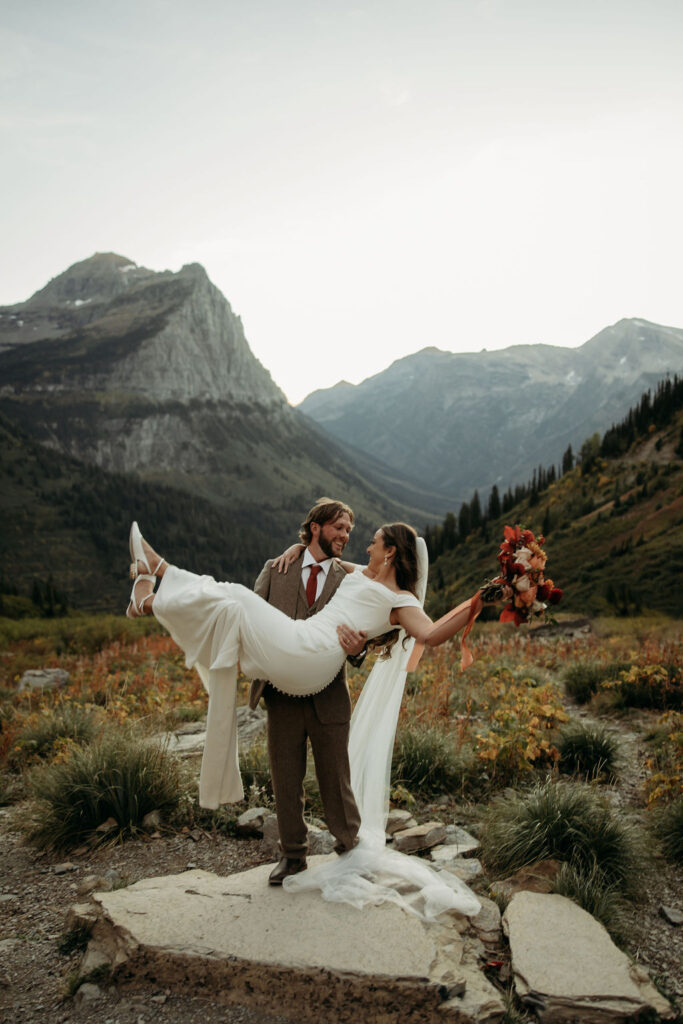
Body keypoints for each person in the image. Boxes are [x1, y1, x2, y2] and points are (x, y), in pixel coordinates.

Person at [126, 519, 485, 918]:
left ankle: (156, 575)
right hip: (292, 664)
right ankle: (292, 854)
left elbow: (432, 634)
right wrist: (296, 549)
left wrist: (477, 602)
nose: (363, 547)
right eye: (351, 534)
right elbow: (322, 558)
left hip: (314, 658)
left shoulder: (401, 601)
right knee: (231, 605)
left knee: (236, 597)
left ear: (390, 552)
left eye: (372, 542)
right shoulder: (346, 571)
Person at [249, 498, 367, 885]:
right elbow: (252, 619)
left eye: (349, 530)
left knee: (336, 778)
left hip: (329, 697)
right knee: (286, 779)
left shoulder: (349, 581)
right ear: (316, 528)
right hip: (281, 696)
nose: (345, 536)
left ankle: (349, 849)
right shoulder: (276, 569)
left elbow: (363, 635)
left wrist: (358, 650)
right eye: (339, 528)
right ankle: (293, 856)